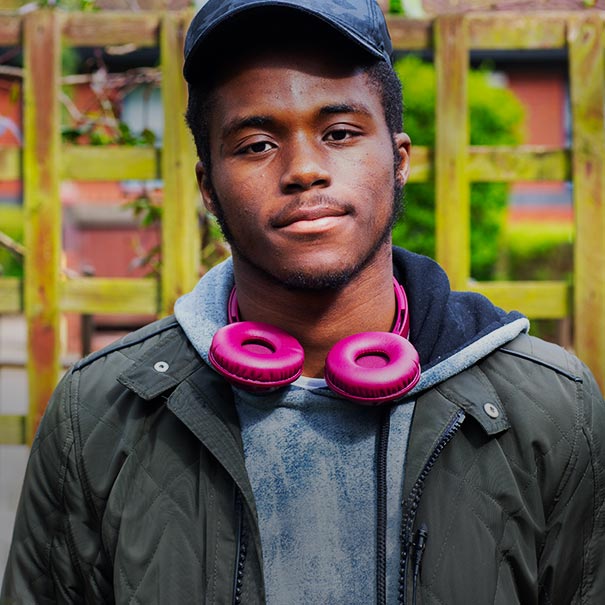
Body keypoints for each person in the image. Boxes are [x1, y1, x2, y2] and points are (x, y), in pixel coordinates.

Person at [3, 0, 605, 603]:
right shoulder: (100, 413)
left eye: (340, 133)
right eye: (258, 144)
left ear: (398, 161)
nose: (305, 170)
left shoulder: (552, 411)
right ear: (208, 187)